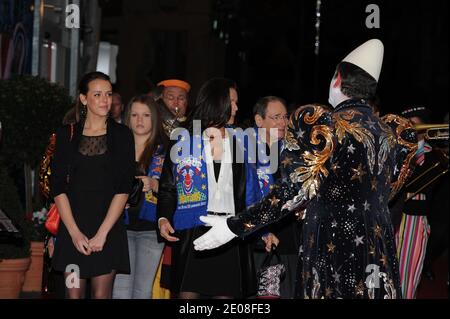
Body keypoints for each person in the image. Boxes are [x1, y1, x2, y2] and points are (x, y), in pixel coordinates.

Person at [193, 39, 418, 299]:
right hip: (377, 245)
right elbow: (389, 190)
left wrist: (234, 226)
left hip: (333, 247)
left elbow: (291, 192)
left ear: (338, 80)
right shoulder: (391, 131)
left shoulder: (325, 125)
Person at [157, 77, 257, 299]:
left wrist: (262, 228)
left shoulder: (240, 142)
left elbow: (251, 192)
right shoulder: (184, 139)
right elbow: (167, 186)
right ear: (217, 103)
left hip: (229, 231)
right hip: (194, 230)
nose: (237, 107)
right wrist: (163, 218)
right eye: (232, 101)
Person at [50, 71, 135, 299]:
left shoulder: (123, 135)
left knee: (101, 296)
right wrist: (74, 233)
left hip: (108, 230)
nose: (105, 100)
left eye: (108, 94)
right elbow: (58, 187)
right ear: (83, 98)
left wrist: (102, 234)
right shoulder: (66, 134)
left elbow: (124, 188)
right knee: (72, 294)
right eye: (97, 94)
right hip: (72, 230)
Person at [112, 95, 168, 299]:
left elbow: (176, 190)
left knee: (142, 291)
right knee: (119, 291)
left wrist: (153, 184)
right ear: (127, 118)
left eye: (145, 115)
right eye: (134, 115)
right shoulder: (116, 147)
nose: (139, 120)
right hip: (119, 226)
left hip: (151, 228)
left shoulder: (165, 151)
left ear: (154, 118)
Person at [393, 106, 448, 298]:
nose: (412, 129)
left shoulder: (435, 155)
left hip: (415, 223)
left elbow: (429, 190)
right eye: (409, 125)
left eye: (416, 125)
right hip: (394, 218)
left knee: (409, 276)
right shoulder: (398, 151)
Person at [251, 96, 301, 298]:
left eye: (285, 117)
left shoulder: (293, 151)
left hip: (288, 236)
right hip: (256, 237)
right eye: (276, 117)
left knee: (287, 291)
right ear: (259, 120)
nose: (283, 122)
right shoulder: (244, 150)